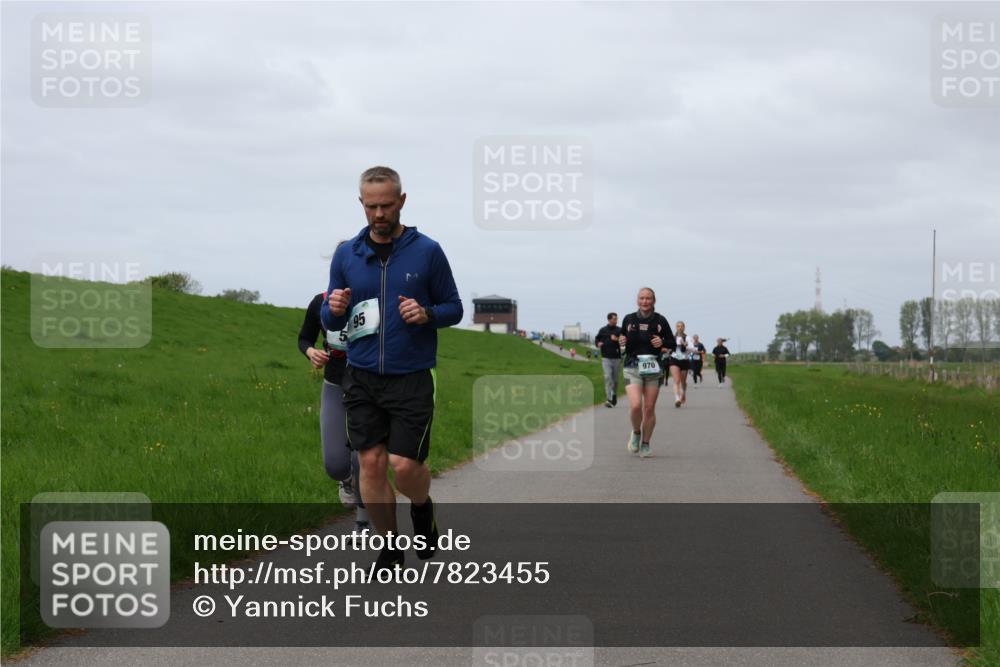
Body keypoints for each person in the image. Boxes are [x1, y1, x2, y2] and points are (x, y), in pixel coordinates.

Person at [321, 166, 463, 571]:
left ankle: (421, 507)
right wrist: (333, 310)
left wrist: (427, 313)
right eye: (371, 206)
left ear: (402, 201)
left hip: (411, 375)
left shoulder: (427, 251)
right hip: (362, 375)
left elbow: (454, 307)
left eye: (386, 205)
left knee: (404, 466)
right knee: (370, 463)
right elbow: (331, 321)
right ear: (361, 205)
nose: (379, 214)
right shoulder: (347, 254)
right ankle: (388, 547)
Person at [298, 289, 370, 534]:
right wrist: (311, 353)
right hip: (334, 384)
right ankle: (345, 480)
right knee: (335, 465)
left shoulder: (374, 302)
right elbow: (304, 339)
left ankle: (362, 518)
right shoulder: (321, 301)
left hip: (370, 388)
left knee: (363, 457)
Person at [620, 288, 675, 458]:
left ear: (654, 301)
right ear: (637, 300)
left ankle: (646, 443)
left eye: (648, 298)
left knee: (649, 408)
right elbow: (623, 341)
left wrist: (663, 341)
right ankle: (636, 432)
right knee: (636, 405)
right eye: (642, 298)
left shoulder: (660, 320)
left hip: (653, 367)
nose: (645, 301)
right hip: (632, 366)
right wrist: (622, 341)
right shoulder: (629, 319)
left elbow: (671, 342)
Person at [594, 312, 623, 408]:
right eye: (614, 319)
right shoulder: (603, 330)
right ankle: (609, 398)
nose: (616, 320)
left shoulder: (619, 330)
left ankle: (614, 395)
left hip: (617, 358)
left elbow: (623, 342)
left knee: (615, 380)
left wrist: (617, 339)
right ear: (609, 319)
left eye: (616, 319)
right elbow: (597, 339)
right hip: (606, 358)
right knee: (607, 377)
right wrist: (598, 344)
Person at [663, 320, 691, 407]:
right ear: (676, 327)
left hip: (684, 360)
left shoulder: (687, 337)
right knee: (676, 381)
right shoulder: (672, 337)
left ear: (684, 327)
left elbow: (691, 347)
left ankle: (683, 393)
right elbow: (666, 347)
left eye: (682, 326)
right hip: (674, 360)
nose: (680, 327)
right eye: (678, 326)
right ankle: (677, 398)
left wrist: (686, 344)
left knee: (683, 381)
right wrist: (667, 349)